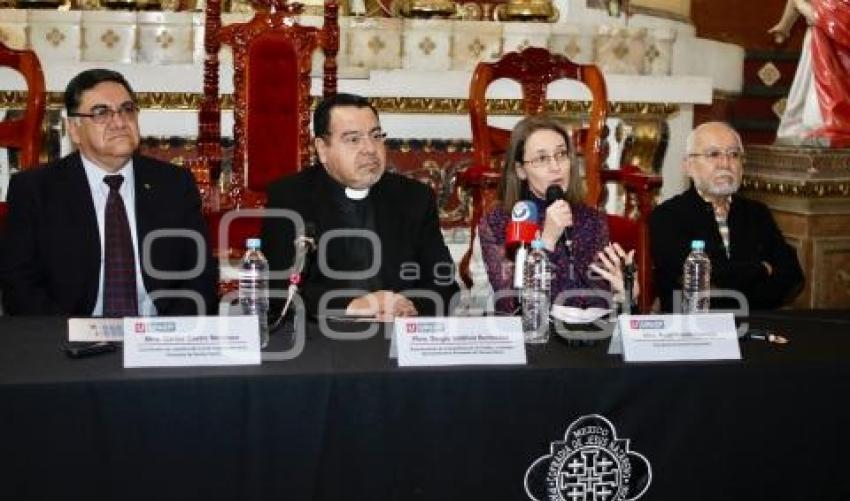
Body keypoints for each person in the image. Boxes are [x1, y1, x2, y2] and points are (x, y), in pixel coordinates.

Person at [0, 68, 218, 316]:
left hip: (158, 335)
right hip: (69, 337)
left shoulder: (174, 184)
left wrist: (168, 336)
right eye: (101, 113)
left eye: (127, 109)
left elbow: (200, 275)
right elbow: (18, 285)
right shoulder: (35, 190)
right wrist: (69, 337)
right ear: (74, 128)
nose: (119, 122)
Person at [261, 93, 459, 320]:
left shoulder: (413, 198)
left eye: (376, 136)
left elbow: (444, 283)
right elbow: (279, 288)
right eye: (353, 139)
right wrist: (354, 306)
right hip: (323, 341)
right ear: (322, 149)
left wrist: (407, 308)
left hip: (398, 338)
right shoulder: (291, 197)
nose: (370, 149)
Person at [478, 114, 638, 314]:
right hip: (530, 339)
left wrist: (624, 294)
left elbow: (597, 303)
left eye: (561, 155)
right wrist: (546, 242)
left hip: (588, 339)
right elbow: (511, 304)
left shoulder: (592, 220)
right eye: (542, 158)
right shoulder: (498, 222)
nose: (555, 167)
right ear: (520, 170)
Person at [650, 121, 804, 313]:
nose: (725, 164)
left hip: (755, 324)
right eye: (713, 154)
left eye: (733, 155)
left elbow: (792, 276)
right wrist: (761, 270)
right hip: (691, 330)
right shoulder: (668, 216)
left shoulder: (757, 213)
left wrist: (731, 287)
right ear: (688, 166)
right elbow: (696, 283)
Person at [769, 0, 850, 147]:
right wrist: (784, 26)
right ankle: (799, 128)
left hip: (839, 50)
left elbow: (832, 18)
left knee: (826, 89)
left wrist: (801, 6)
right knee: (805, 87)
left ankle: (819, 125)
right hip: (817, 42)